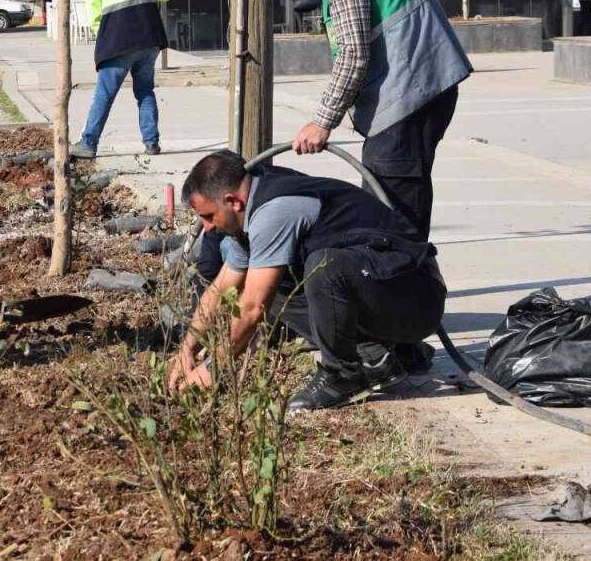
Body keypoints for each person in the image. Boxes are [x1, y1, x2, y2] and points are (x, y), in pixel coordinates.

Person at [168, 150, 446, 410]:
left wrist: (211, 369)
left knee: (323, 267)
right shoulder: (249, 214)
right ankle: (384, 354)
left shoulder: (274, 212)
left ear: (233, 201)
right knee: (274, 285)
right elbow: (221, 287)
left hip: (418, 297)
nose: (207, 227)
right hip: (387, 288)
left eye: (208, 216)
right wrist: (187, 350)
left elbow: (252, 309)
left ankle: (342, 374)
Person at [257, 0, 472, 242]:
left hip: (409, 94)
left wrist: (322, 122)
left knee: (392, 210)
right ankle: (403, 282)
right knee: (395, 198)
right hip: (423, 86)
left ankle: (405, 286)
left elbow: (353, 52)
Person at [70, 0, 172, 159]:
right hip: (149, 40)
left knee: (104, 95)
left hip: (117, 44)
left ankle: (88, 143)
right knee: (145, 91)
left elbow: (94, 17)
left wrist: (106, 38)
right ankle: (151, 143)